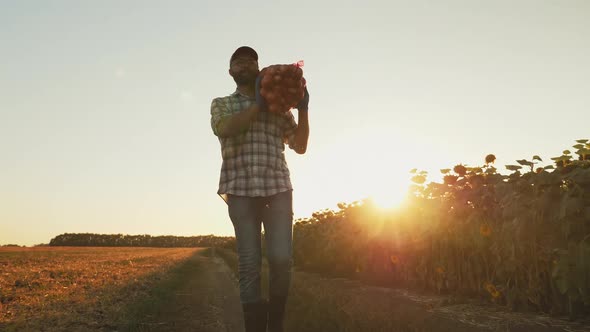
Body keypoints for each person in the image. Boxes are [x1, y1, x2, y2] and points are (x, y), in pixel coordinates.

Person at [210, 46, 310, 332]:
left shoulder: (279, 106)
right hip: (239, 191)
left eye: (250, 60)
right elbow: (225, 128)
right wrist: (258, 107)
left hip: (277, 187)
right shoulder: (222, 103)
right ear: (231, 72)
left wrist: (303, 109)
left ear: (258, 68)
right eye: (238, 61)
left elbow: (300, 146)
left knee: (281, 259)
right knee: (249, 263)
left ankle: (275, 324)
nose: (244, 64)